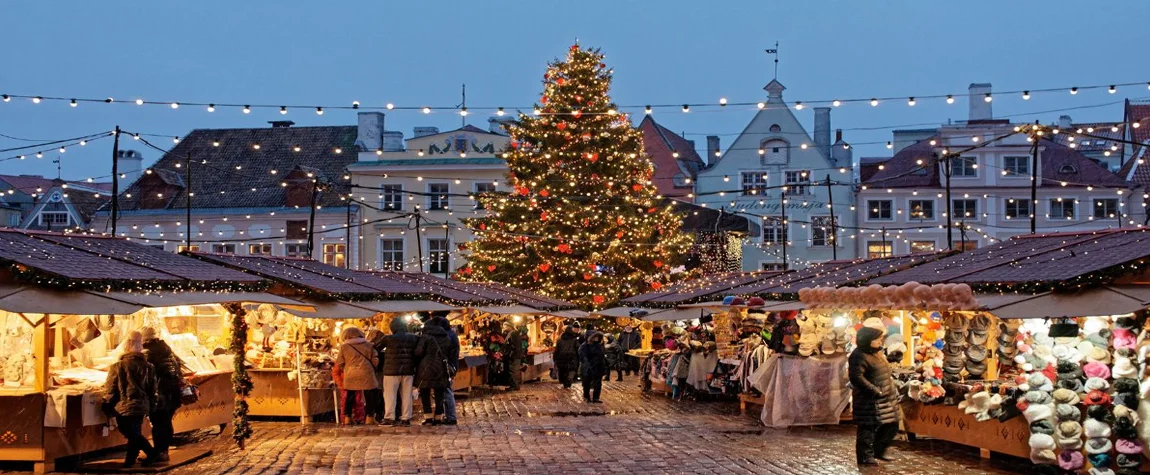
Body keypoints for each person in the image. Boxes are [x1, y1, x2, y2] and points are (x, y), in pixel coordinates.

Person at [103, 331, 158, 468]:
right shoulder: (148, 366)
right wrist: (152, 406)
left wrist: (107, 404)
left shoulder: (118, 366)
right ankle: (131, 459)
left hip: (124, 404)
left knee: (130, 433)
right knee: (134, 432)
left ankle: (149, 454)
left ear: (127, 345)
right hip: (141, 405)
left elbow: (111, 388)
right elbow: (153, 389)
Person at [849, 319, 900, 465]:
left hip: (885, 397)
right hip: (869, 399)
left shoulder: (877, 353)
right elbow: (856, 377)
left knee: (892, 424)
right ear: (868, 340)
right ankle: (865, 457)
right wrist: (874, 390)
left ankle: (879, 450)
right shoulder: (858, 355)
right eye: (877, 339)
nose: (880, 341)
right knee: (867, 429)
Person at [141, 327, 183, 463]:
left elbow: (146, 375)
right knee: (165, 423)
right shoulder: (168, 351)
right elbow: (179, 367)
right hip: (173, 393)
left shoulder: (147, 353)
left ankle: (159, 452)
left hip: (160, 395)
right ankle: (163, 451)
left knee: (159, 425)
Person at [415, 316, 457, 425]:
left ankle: (428, 417)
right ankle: (438, 416)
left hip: (426, 367)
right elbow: (450, 353)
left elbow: (418, 352)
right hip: (441, 367)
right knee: (439, 392)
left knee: (425, 392)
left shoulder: (425, 337)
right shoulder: (446, 337)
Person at [335, 326, 379, 425]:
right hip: (367, 372)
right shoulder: (368, 345)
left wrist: (346, 370)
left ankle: (348, 417)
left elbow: (340, 362)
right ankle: (369, 417)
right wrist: (372, 368)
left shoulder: (344, 347)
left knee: (350, 396)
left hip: (351, 373)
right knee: (370, 395)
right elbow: (375, 359)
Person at [379, 318, 418, 426]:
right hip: (408, 370)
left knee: (390, 395)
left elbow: (376, 348)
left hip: (391, 370)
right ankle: (406, 418)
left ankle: (389, 418)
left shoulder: (388, 338)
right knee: (407, 395)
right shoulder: (413, 338)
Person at [578, 331, 607, 403]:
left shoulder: (599, 345)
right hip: (589, 366)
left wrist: (604, 366)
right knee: (586, 383)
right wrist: (587, 365)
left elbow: (602, 356)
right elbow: (583, 356)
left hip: (598, 366)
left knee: (598, 383)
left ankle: (596, 398)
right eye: (595, 337)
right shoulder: (585, 345)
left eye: (598, 337)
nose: (596, 338)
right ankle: (586, 396)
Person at [505, 321, 524, 391]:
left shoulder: (513, 333)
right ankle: (514, 385)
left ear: (509, 326)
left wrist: (510, 353)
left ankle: (514, 386)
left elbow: (513, 345)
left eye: (505, 326)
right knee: (513, 370)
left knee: (513, 371)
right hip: (515, 355)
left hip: (514, 355)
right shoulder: (512, 333)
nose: (504, 327)